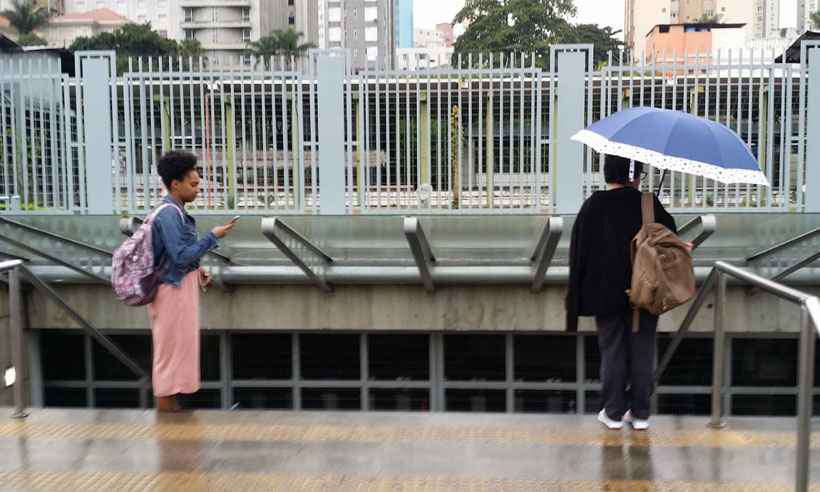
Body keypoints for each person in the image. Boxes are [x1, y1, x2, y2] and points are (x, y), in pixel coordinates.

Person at [566, 155, 687, 431]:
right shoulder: (648, 203)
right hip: (646, 292)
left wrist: (576, 297)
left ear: (608, 174)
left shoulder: (593, 205)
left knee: (613, 351)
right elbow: (670, 241)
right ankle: (641, 413)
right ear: (635, 175)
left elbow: (578, 253)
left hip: (605, 294)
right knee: (643, 350)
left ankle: (613, 413)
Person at [150, 151, 237, 412]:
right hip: (171, 291)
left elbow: (177, 256)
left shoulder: (176, 212)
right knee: (170, 350)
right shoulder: (168, 214)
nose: (198, 189)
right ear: (175, 184)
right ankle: (166, 413)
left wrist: (197, 271)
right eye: (194, 184)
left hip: (178, 287)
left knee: (180, 347)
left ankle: (172, 407)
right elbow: (178, 255)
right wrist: (212, 236)